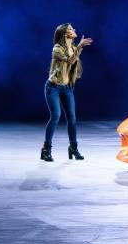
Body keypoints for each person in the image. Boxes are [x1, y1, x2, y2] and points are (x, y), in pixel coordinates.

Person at [40, 23, 93, 162]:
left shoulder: (73, 48)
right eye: (70, 29)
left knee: (72, 118)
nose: (74, 30)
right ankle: (46, 150)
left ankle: (73, 148)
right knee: (56, 115)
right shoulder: (57, 49)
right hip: (53, 87)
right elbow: (70, 60)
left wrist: (78, 47)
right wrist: (80, 47)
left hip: (67, 88)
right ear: (65, 34)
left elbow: (73, 62)